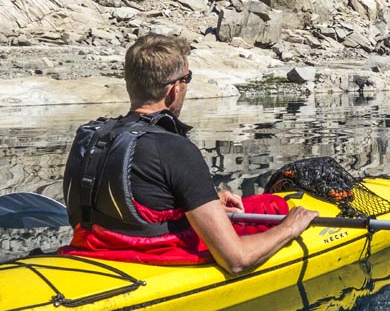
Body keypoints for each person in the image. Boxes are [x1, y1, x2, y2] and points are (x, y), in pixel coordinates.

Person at [61, 33, 316, 271]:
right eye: (187, 79)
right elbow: (235, 260)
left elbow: (138, 198)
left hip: (92, 248)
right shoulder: (175, 148)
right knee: (273, 208)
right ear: (174, 89)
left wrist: (205, 200)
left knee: (259, 205)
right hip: (150, 256)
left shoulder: (90, 135)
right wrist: (290, 228)